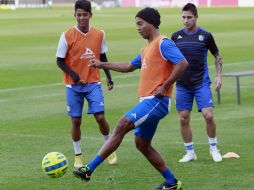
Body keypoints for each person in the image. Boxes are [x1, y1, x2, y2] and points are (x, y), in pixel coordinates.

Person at [73, 7, 188, 190]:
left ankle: (89, 168)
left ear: (151, 23)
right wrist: (102, 64)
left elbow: (182, 63)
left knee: (122, 124)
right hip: (148, 102)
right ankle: (171, 182)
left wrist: (165, 86)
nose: (138, 28)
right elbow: (128, 66)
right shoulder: (146, 49)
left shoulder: (163, 43)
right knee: (142, 144)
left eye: (140, 24)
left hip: (156, 101)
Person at [56, 0, 117, 168]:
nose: (81, 18)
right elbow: (59, 61)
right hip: (73, 86)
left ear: (91, 15)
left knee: (100, 117)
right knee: (76, 121)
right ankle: (78, 155)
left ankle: (109, 148)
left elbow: (103, 57)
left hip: (93, 83)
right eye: (78, 15)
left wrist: (108, 76)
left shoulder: (99, 34)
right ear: (74, 15)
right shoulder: (67, 35)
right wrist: (74, 75)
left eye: (84, 15)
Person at [171, 3, 223, 163]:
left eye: (189, 17)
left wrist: (218, 76)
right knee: (183, 118)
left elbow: (217, 56)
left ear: (196, 17)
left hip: (201, 82)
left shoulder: (206, 36)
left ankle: (214, 148)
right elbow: (169, 59)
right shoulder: (176, 36)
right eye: (183, 17)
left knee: (208, 115)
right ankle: (190, 152)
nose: (185, 20)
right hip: (182, 84)